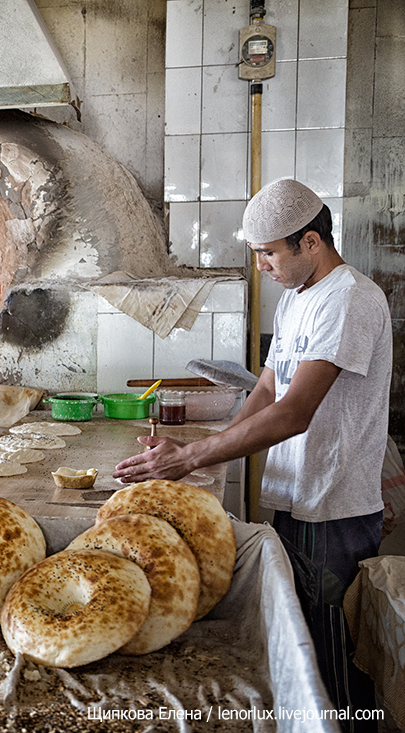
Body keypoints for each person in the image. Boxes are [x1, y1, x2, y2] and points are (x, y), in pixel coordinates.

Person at [114, 178, 390, 725]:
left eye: (268, 253)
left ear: (311, 242)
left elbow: (295, 411)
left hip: (331, 504)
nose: (261, 265)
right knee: (296, 637)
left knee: (329, 652)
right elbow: (267, 391)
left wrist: (190, 458)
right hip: (292, 492)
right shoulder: (296, 299)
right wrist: (212, 458)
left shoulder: (350, 300)